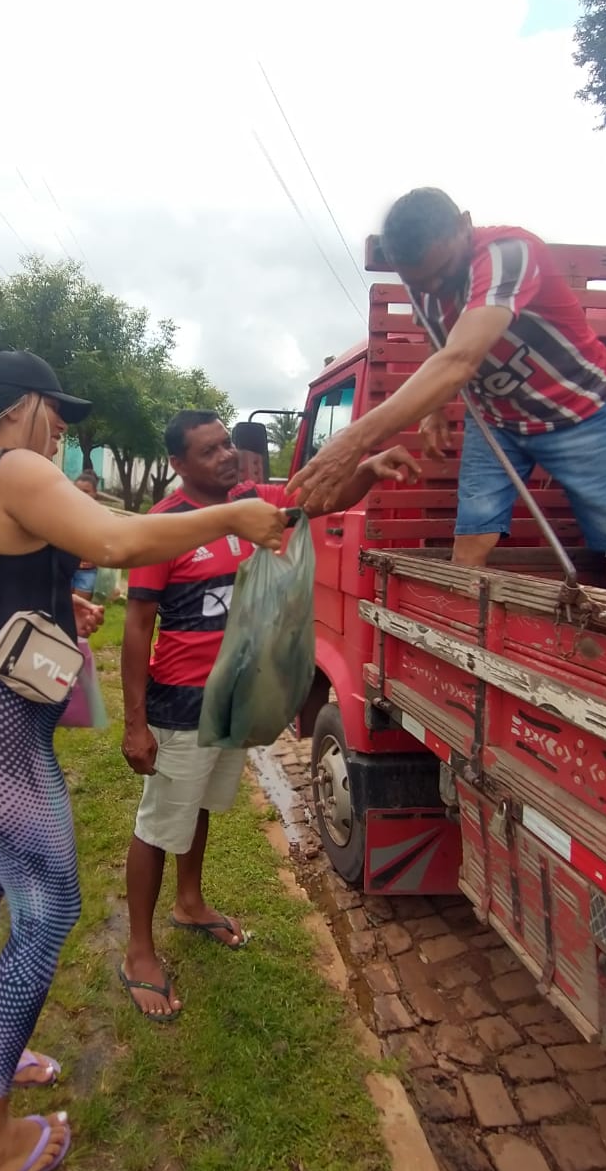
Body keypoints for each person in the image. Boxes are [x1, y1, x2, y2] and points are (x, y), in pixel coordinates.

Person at [0, 350, 286, 1171]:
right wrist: (234, 512)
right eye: (55, 410)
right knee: (48, 912)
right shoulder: (16, 467)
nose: (60, 428)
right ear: (20, 405)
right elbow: (118, 538)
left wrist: (47, 610)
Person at [120, 410, 419, 1020]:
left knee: (200, 806)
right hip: (181, 700)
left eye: (226, 444)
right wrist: (134, 723)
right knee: (159, 824)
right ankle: (138, 952)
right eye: (209, 450)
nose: (227, 456)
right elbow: (137, 625)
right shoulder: (164, 526)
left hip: (235, 697)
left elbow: (324, 497)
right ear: (178, 464)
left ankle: (189, 902)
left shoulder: (254, 502)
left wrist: (368, 467)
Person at [290, 187, 606, 602]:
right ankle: (463, 640)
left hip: (578, 413)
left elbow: (460, 360)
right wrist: (435, 408)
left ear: (465, 225)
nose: (434, 288)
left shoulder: (508, 255)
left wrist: (353, 439)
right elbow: (441, 337)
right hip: (498, 421)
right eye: (419, 282)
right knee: (470, 546)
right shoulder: (424, 277)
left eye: (443, 273)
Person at [71, 473, 101, 594]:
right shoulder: (64, 513)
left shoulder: (100, 516)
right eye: (78, 491)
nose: (81, 494)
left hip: (87, 572)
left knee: (79, 605)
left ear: (95, 493)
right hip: (65, 569)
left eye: (86, 491)